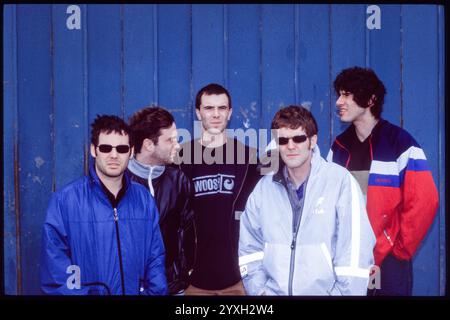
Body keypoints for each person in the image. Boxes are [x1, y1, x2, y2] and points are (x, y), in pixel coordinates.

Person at [239, 105, 375, 295]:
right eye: (283, 140)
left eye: (299, 138)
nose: (291, 146)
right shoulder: (263, 189)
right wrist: (260, 292)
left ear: (312, 141)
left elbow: (355, 255)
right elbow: (249, 248)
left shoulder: (340, 182)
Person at [327, 66, 439, 296]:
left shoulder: (400, 142)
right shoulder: (338, 147)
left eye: (346, 94)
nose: (339, 101)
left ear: (370, 99)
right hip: (346, 259)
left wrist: (398, 250)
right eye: (339, 94)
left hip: (389, 262)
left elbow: (425, 201)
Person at [40, 115, 167, 295]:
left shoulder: (143, 199)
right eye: (106, 148)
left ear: (131, 152)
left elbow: (155, 258)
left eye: (122, 149)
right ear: (94, 150)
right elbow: (56, 271)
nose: (114, 155)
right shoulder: (65, 201)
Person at [177, 83, 260, 295]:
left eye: (222, 108)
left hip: (238, 280)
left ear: (230, 112)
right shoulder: (181, 159)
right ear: (198, 112)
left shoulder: (249, 158)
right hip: (194, 281)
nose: (215, 114)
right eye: (208, 108)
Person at [127, 106, 195, 295]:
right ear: (149, 144)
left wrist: (183, 274)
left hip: (173, 287)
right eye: (170, 140)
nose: (177, 145)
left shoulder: (178, 180)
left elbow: (187, 233)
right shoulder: (119, 182)